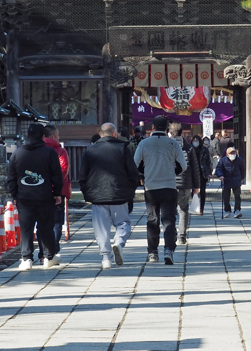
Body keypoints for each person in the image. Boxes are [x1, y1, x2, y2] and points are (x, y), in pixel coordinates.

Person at [80, 123, 139, 269]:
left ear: (100, 134)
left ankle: (106, 258)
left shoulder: (90, 150)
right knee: (123, 223)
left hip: (98, 195)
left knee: (101, 228)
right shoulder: (123, 148)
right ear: (114, 134)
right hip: (119, 193)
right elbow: (133, 173)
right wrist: (131, 190)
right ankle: (118, 242)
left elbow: (83, 175)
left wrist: (86, 192)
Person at [6, 123, 64, 270]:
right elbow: (57, 175)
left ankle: (26, 258)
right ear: (43, 136)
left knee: (26, 228)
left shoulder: (17, 154)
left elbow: (11, 177)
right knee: (46, 227)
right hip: (45, 195)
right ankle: (48, 256)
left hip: (24, 197)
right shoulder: (49, 153)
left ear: (27, 135)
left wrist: (14, 194)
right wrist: (57, 193)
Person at [133, 115, 186, 264]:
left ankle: (153, 252)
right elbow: (183, 166)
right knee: (169, 219)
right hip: (169, 186)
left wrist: (145, 172)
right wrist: (171, 172)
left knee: (152, 219)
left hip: (151, 187)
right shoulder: (172, 143)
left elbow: (135, 163)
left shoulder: (144, 143)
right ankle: (168, 249)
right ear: (167, 129)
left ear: (153, 128)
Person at [40, 124, 72, 264]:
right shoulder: (60, 151)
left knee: (41, 222)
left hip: (41, 190)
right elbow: (63, 170)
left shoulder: (38, 149)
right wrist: (56, 187)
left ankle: (42, 253)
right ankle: (53, 250)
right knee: (57, 222)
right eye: (58, 135)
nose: (59, 138)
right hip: (58, 191)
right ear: (52, 136)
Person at [175, 130, 202, 245]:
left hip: (169, 183)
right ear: (181, 134)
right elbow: (195, 168)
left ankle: (171, 235)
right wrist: (196, 186)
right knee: (183, 210)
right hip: (185, 183)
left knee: (169, 210)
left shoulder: (166, 147)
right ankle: (181, 236)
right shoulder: (189, 148)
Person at [215, 146, 245, 218]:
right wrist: (220, 175)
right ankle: (227, 210)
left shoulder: (239, 160)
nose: (233, 154)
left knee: (237, 196)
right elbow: (218, 169)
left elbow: (242, 169)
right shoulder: (223, 160)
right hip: (226, 180)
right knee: (226, 197)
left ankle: (237, 210)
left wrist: (242, 177)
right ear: (227, 154)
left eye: (234, 153)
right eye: (231, 153)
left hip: (236, 180)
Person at [193, 135, 213, 214]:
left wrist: (209, 173)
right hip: (193, 173)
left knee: (202, 191)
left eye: (197, 141)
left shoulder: (204, 150)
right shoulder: (190, 150)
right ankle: (195, 207)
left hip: (202, 172)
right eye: (194, 141)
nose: (195, 142)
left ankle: (201, 208)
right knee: (193, 191)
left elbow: (208, 162)